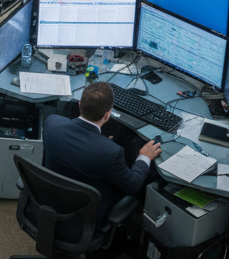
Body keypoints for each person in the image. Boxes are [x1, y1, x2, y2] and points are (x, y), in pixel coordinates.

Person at [43, 83, 161, 228]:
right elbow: (133, 184)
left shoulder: (52, 123)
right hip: (89, 216)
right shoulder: (111, 151)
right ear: (107, 115)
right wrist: (145, 157)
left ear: (80, 105)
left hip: (50, 200)